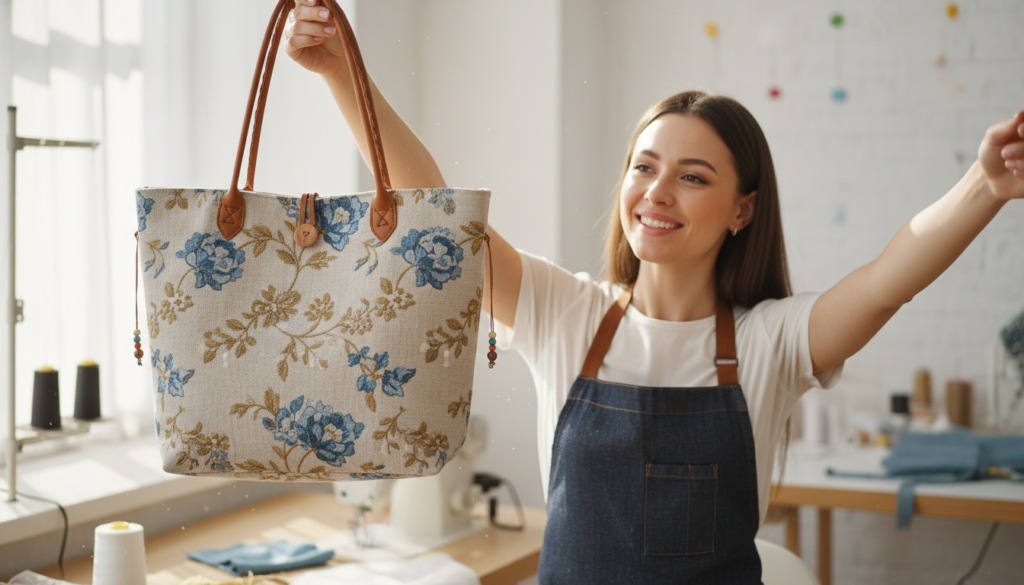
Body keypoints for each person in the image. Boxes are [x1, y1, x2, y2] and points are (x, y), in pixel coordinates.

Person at [283, 1, 1024, 582]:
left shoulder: (770, 343)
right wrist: (341, 73)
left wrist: (984, 187)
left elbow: (890, 275)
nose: (657, 192)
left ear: (743, 209)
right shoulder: (563, 312)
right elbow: (437, 215)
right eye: (644, 166)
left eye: (693, 176)